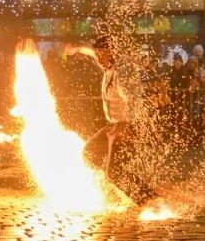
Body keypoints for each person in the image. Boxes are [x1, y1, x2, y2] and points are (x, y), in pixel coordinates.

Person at [66, 34, 156, 205]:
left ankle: (151, 202)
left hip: (128, 126)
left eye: (101, 55)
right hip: (113, 125)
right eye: (97, 55)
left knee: (114, 171)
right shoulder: (107, 63)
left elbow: (134, 100)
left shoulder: (122, 72)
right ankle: (115, 190)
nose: (98, 59)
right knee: (90, 153)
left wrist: (125, 127)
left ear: (111, 52)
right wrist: (74, 49)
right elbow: (90, 51)